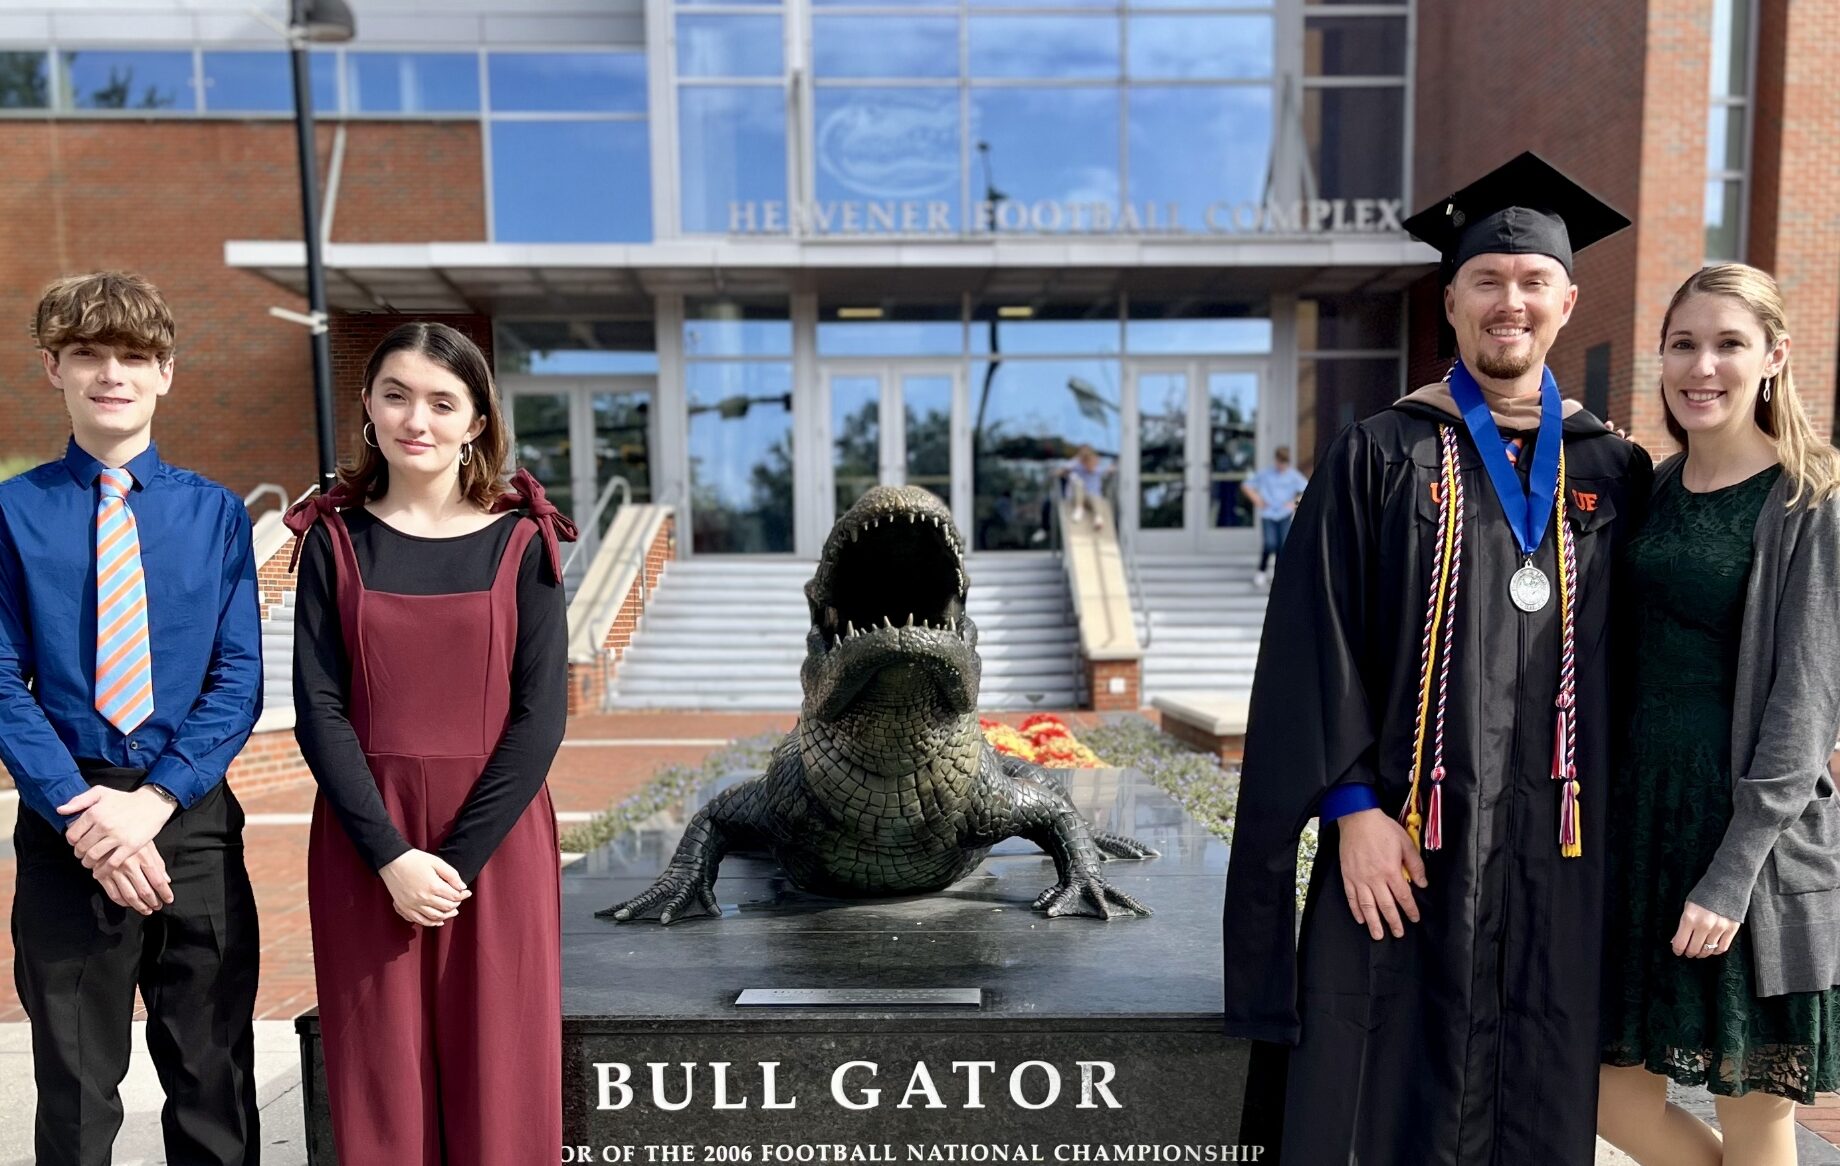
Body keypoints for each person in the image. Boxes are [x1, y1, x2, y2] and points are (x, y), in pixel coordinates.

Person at [1222, 152, 1653, 1165]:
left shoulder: (1617, 469)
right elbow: (1313, 642)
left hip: (1558, 856)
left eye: (1533, 281)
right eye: (1486, 280)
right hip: (1406, 845)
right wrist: (1350, 809)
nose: (1511, 302)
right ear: (1450, 301)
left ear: (1566, 303)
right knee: (1377, 1094)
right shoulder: (1380, 453)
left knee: (1536, 1089)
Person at [285, 321, 575, 1164]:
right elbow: (318, 709)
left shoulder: (523, 541)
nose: (418, 419)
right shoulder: (334, 542)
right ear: (368, 408)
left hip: (497, 842)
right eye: (397, 396)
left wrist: (454, 861)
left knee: (502, 1082)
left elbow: (540, 718)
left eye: (442, 402)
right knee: (380, 1083)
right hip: (365, 840)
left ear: (477, 421)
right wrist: (390, 857)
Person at [0, 271, 263, 1164]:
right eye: (87, 354)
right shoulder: (11, 513)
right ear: (54, 368)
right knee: (75, 1092)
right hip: (66, 821)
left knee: (213, 1078)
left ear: (166, 373)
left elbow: (237, 678)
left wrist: (152, 804)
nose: (112, 373)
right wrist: (85, 817)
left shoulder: (216, 514)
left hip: (190, 821)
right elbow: (0, 680)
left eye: (135, 356)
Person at [1596, 264, 1840, 1166]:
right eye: (1683, 344)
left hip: (1751, 853)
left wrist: (1731, 877)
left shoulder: (1811, 501)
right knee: (1606, 1091)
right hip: (1642, 833)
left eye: (1729, 344)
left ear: (1775, 356)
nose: (1702, 366)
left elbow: (1806, 712)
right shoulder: (1652, 489)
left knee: (1754, 1115)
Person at [1241, 446, 1309, 587]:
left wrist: (1294, 503)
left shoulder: (1293, 475)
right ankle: (1261, 570)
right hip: (1268, 513)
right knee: (1270, 543)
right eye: (1280, 462)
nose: (1281, 466)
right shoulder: (1266, 474)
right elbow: (1247, 485)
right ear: (1276, 460)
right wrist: (1257, 500)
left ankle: (1279, 573)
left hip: (1284, 514)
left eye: (1284, 463)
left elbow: (1307, 489)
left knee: (1282, 545)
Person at [1057, 444, 1113, 530]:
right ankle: (1079, 508)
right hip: (1080, 497)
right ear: (1083, 462)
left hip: (1093, 498)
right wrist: (1070, 466)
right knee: (1078, 484)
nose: (1090, 466)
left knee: (1096, 499)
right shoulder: (1078, 468)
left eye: (1093, 462)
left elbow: (1111, 469)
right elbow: (1060, 472)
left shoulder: (1099, 470)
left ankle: (1098, 517)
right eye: (1087, 462)